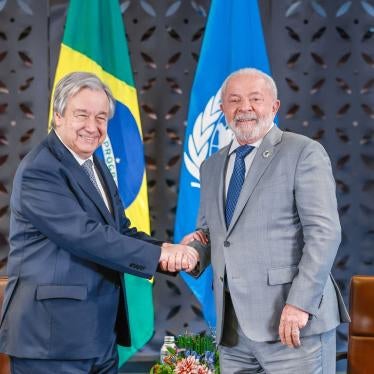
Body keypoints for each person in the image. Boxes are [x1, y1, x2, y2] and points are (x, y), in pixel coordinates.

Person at [0, 72, 199, 374]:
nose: (93, 127)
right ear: (58, 116)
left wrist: (167, 249)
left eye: (101, 117)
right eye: (82, 115)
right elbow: (85, 236)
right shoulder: (40, 171)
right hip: (53, 341)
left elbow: (118, 231)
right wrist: (158, 255)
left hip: (97, 336)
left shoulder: (95, 164)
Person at [182, 68, 350, 373]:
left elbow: (324, 234)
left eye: (255, 99)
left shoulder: (303, 152)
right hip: (232, 329)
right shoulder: (211, 166)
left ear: (274, 106)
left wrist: (300, 304)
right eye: (234, 100)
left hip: (292, 323)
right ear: (222, 110)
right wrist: (191, 251)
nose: (244, 107)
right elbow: (213, 233)